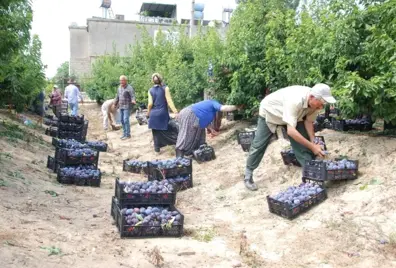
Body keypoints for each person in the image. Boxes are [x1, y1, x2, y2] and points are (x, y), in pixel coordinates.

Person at [243, 83, 336, 191]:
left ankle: (312, 175)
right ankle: (248, 174)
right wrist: (313, 147)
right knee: (259, 145)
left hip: (295, 115)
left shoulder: (315, 103)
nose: (321, 106)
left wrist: (313, 141)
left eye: (324, 103)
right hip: (271, 112)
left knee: (303, 145)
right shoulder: (295, 101)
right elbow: (291, 131)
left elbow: (309, 122)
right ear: (311, 97)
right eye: (321, 102)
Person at [175, 99, 242, 157]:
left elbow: (204, 120)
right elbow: (223, 108)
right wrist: (236, 107)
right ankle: (179, 156)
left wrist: (211, 129)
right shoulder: (213, 102)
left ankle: (199, 151)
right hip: (190, 114)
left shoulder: (209, 109)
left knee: (200, 135)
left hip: (194, 117)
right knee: (186, 135)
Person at [147, 73, 179, 153]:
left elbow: (150, 104)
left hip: (153, 115)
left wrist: (148, 113)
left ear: (152, 81)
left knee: (156, 133)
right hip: (162, 113)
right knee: (168, 130)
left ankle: (157, 150)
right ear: (161, 79)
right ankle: (177, 143)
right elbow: (169, 101)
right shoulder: (165, 88)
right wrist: (175, 112)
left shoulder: (150, 90)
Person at [114, 75, 136, 140]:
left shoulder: (129, 88)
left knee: (126, 119)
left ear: (126, 81)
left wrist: (133, 100)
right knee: (121, 120)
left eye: (122, 80)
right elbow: (117, 97)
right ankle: (124, 134)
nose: (121, 82)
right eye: (120, 80)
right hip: (120, 106)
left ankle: (128, 134)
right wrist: (115, 104)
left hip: (127, 106)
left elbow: (133, 96)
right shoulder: (119, 88)